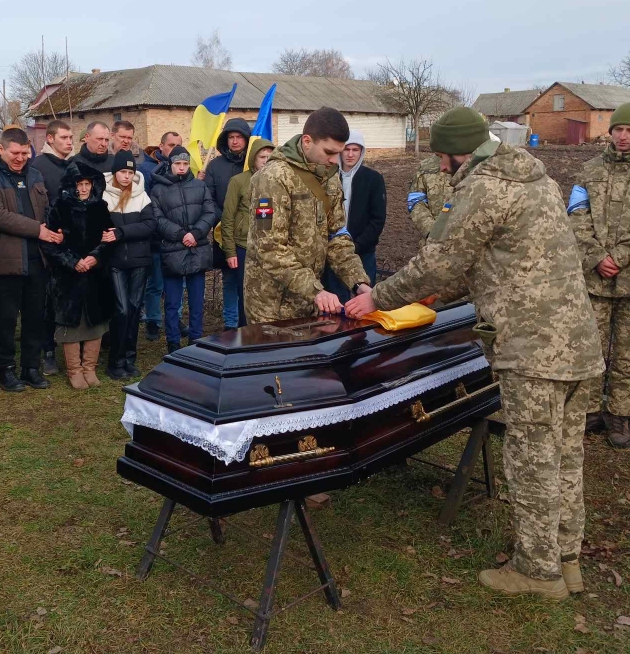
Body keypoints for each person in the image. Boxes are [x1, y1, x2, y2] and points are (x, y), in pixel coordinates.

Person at [346, 106, 604, 600]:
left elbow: (440, 262)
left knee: (532, 458)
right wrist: (439, 294)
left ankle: (537, 572)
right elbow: (499, 258)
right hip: (577, 342)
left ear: (459, 152)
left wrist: (377, 298)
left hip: (533, 348)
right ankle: (567, 560)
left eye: (443, 157)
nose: (441, 168)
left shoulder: (484, 186)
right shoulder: (537, 180)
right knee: (567, 455)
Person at [244, 108, 369, 324]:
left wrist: (358, 283)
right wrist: (316, 291)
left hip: (309, 302)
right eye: (329, 152)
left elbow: (337, 237)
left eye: (338, 153)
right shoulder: (273, 178)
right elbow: (270, 248)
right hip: (271, 306)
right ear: (307, 141)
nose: (334, 160)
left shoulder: (329, 177)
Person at [0, 127, 62, 391]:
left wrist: (57, 226)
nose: (21, 158)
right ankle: (7, 369)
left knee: (35, 316)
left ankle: (31, 367)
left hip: (37, 259)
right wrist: (38, 230)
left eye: (25, 152)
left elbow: (45, 210)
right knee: (4, 319)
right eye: (15, 152)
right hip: (5, 261)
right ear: (0, 149)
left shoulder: (35, 175)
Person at [568, 102, 630, 446]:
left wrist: (619, 257)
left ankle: (620, 416)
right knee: (590, 348)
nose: (624, 137)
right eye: (619, 129)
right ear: (610, 133)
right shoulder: (588, 171)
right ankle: (589, 411)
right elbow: (575, 216)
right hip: (595, 278)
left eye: (629, 131)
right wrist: (596, 255)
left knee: (626, 353)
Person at [42, 160, 114, 390]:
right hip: (67, 277)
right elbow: (51, 243)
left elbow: (109, 239)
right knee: (70, 323)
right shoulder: (59, 207)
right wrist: (73, 262)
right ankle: (74, 370)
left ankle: (89, 367)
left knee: (95, 321)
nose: (83, 189)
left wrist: (96, 257)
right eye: (79, 184)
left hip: (95, 275)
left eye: (87, 184)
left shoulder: (100, 207)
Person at [151, 146, 216, 352]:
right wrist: (180, 235)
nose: (181, 167)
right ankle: (173, 341)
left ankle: (196, 339)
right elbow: (157, 218)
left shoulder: (200, 186)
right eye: (177, 164)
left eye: (185, 164)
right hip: (172, 250)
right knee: (172, 301)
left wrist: (196, 233)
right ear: (170, 165)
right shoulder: (158, 190)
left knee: (197, 300)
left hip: (197, 248)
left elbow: (209, 212)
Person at [103, 156, 155, 378]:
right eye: (123, 172)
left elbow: (150, 225)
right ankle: (115, 360)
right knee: (121, 310)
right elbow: (102, 227)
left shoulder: (141, 195)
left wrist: (121, 233)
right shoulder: (104, 195)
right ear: (115, 172)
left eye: (130, 173)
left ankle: (129, 359)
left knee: (134, 310)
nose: (127, 176)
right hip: (114, 262)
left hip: (139, 261)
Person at [32, 119, 76, 376]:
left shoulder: (74, 164)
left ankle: (72, 344)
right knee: (48, 298)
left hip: (73, 240)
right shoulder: (38, 167)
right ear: (50, 139)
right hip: (49, 240)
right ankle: (47, 350)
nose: (69, 142)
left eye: (71, 138)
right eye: (64, 138)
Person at [220, 138, 274, 327]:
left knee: (268, 294)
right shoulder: (239, 181)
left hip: (271, 248)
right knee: (246, 294)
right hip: (244, 247)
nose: (266, 161)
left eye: (270, 157)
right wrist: (230, 251)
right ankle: (245, 334)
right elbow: (228, 217)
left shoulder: (278, 181)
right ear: (253, 158)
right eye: (262, 157)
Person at [205, 118, 251, 330]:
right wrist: (223, 218)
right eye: (231, 137)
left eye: (239, 137)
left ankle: (249, 320)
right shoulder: (215, 165)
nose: (234, 141)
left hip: (251, 233)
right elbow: (209, 197)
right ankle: (231, 324)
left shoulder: (252, 164)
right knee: (230, 279)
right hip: (223, 230)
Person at [139, 131, 183, 341]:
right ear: (161, 146)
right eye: (171, 145)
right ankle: (153, 320)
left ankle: (176, 318)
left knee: (176, 281)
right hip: (155, 236)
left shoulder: (182, 169)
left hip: (177, 237)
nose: (174, 149)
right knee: (155, 283)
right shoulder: (146, 170)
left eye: (178, 145)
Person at [344, 132, 386, 286]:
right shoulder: (331, 177)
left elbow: (378, 219)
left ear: (361, 152)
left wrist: (358, 245)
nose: (350, 154)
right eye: (346, 149)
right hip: (334, 253)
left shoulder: (373, 179)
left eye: (355, 150)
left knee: (363, 298)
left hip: (363, 253)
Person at [407, 154, 453, 239]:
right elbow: (416, 201)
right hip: (432, 245)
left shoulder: (475, 165)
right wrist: (432, 231)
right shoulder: (426, 167)